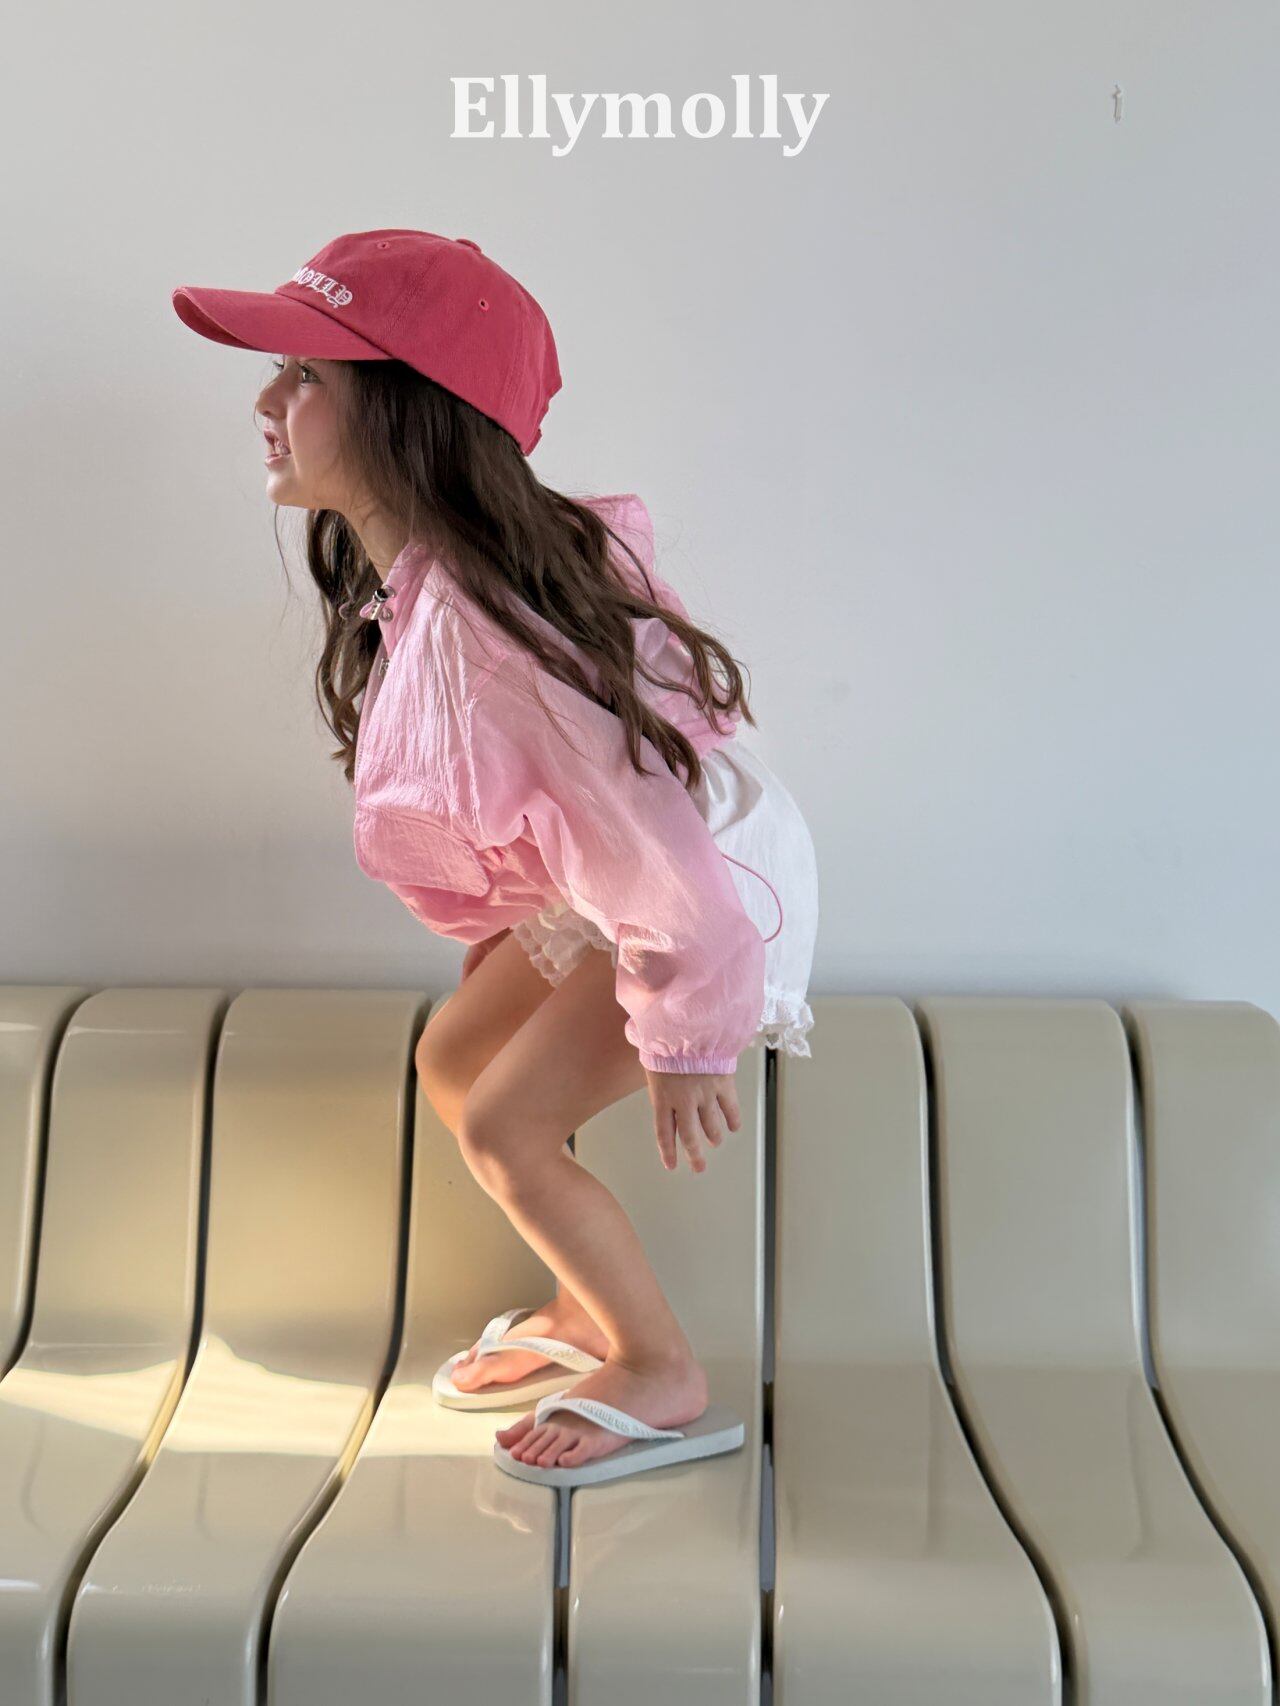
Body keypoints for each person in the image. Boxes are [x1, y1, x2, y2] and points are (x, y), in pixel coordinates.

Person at [171, 227, 819, 1487]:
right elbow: (545, 799)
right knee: (455, 1059)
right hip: (626, 863)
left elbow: (651, 840)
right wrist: (525, 925)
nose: (265, 400)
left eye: (304, 375)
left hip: (700, 888)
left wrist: (688, 1032)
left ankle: (656, 1362)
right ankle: (584, 1305)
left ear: (406, 414)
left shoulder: (484, 634)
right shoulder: (433, 583)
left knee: (508, 1126)